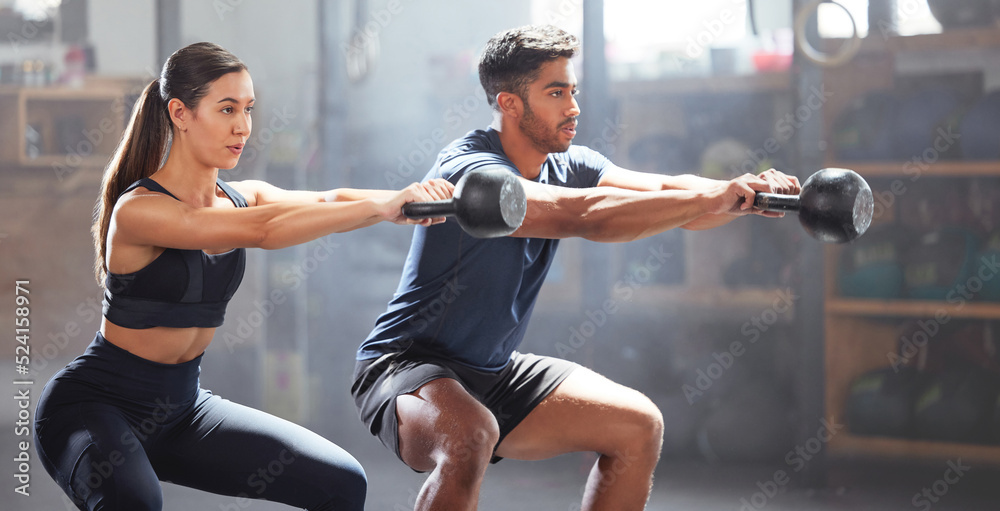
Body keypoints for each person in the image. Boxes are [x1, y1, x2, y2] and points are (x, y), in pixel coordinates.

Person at [351, 25, 802, 511]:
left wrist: (743, 194)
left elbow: (668, 196)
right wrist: (712, 197)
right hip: (405, 367)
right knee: (469, 438)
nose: (573, 107)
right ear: (509, 104)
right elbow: (582, 216)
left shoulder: (573, 164)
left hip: (492, 372)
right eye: (556, 92)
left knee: (637, 426)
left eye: (573, 90)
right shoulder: (472, 170)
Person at [34, 42, 453, 511]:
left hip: (182, 411)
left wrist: (408, 197)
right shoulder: (140, 210)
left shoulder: (242, 195)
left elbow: (328, 199)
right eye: (227, 108)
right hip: (94, 408)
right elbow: (264, 230)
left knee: (341, 483)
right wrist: (380, 209)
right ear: (180, 112)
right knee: (134, 502)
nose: (243, 126)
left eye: (249, 109)